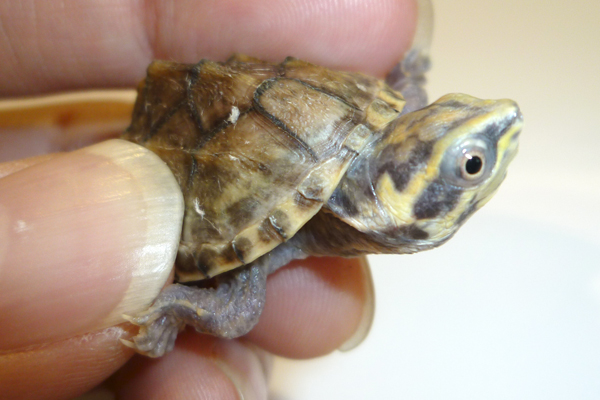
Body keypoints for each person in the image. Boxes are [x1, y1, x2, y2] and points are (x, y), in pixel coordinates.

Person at [0, 0, 419, 398]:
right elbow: (231, 310)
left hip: (277, 119)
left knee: (238, 315)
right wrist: (174, 308)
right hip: (189, 155)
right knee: (238, 313)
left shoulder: (376, 148)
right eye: (470, 167)